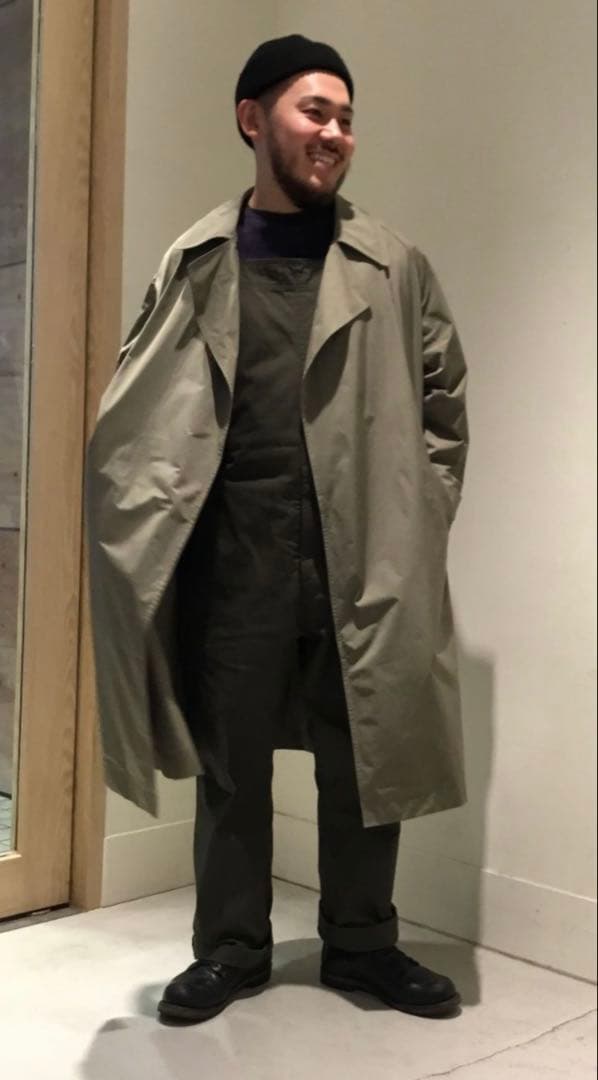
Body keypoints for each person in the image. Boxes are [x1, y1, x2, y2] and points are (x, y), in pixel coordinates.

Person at [85, 34, 469, 1025]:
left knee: (364, 758)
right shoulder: (195, 260)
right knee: (231, 765)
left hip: (361, 553)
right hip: (235, 554)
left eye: (345, 117)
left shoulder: (393, 264)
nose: (335, 132)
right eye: (314, 111)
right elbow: (142, 398)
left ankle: (363, 946)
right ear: (253, 119)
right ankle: (230, 951)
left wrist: (418, 520)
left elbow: (444, 410)